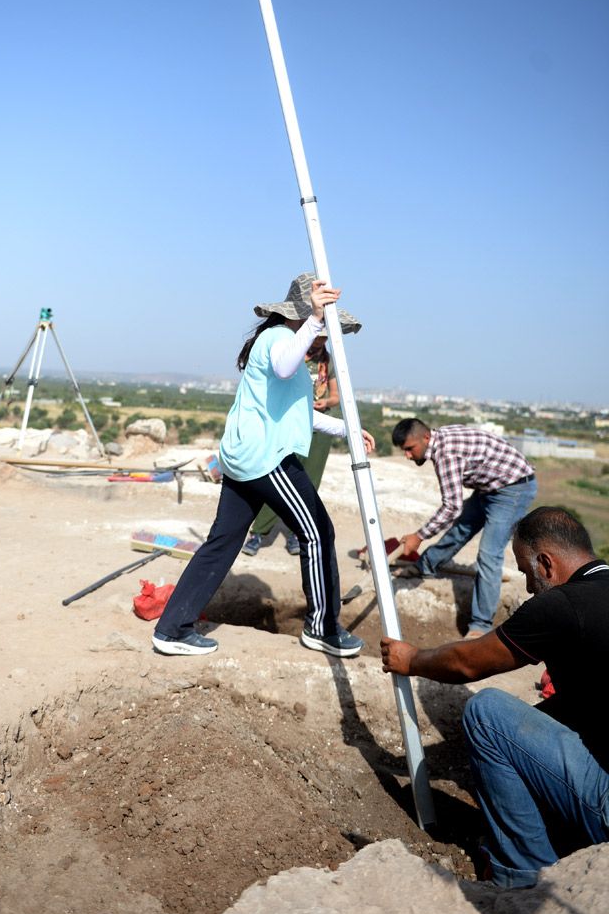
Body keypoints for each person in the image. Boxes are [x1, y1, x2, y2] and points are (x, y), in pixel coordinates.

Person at [380, 507, 609, 889]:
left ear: (546, 563)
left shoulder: (562, 604)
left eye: (525, 572)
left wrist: (413, 659)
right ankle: (563, 835)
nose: (529, 586)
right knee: (550, 712)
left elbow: (469, 663)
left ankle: (522, 875)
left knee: (488, 714)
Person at [152, 274, 374, 658]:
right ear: (304, 316)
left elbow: (299, 413)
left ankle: (172, 629)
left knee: (222, 542)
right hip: (266, 458)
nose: (324, 339)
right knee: (318, 533)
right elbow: (286, 367)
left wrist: (348, 430)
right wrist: (316, 320)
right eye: (322, 327)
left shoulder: (288, 346)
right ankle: (323, 628)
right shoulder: (278, 340)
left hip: (242, 457)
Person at [391, 418, 537, 637]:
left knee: (489, 555)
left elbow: (451, 506)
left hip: (512, 489)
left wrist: (419, 536)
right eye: (404, 450)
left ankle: (481, 625)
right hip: (488, 487)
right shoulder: (440, 438)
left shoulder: (446, 455)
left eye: (410, 449)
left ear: (426, 438)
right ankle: (425, 566)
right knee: (459, 531)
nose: (408, 456)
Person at [242, 335, 344, 557]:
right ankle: (259, 532)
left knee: (309, 482)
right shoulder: (293, 355)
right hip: (292, 423)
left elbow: (336, 396)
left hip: (320, 429)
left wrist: (325, 402)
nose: (320, 341)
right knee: (279, 477)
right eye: (318, 336)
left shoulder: (328, 362)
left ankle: (295, 534)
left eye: (324, 338)